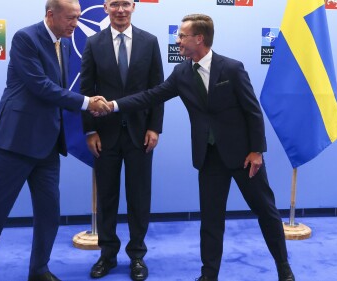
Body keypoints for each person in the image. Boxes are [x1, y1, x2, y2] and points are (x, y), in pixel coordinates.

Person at [103, 14, 295, 281]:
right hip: (209, 158)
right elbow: (151, 96)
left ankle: (283, 267)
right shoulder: (181, 72)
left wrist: (256, 151)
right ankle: (209, 275)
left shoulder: (231, 68)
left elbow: (253, 112)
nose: (178, 40)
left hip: (244, 156)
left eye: (182, 36)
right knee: (211, 221)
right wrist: (114, 106)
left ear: (199, 38)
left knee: (266, 211)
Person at [0, 1, 111, 281]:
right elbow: (41, 87)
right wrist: (87, 102)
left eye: (78, 18)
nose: (75, 24)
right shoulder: (25, 38)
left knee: (49, 213)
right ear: (50, 15)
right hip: (14, 144)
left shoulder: (66, 45)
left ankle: (39, 270)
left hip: (48, 146)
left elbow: (58, 91)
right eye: (70, 18)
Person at [80, 0, 164, 280]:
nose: (120, 9)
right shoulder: (93, 43)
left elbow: (157, 89)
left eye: (126, 4)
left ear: (133, 7)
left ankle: (137, 256)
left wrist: (155, 128)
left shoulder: (150, 42)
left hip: (141, 134)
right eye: (115, 4)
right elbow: (85, 90)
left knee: (139, 197)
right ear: (105, 8)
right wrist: (89, 131)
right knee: (107, 197)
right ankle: (107, 255)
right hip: (105, 135)